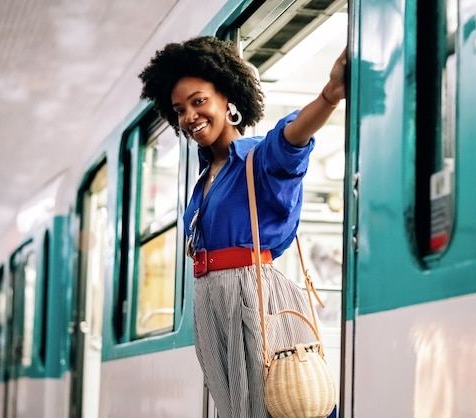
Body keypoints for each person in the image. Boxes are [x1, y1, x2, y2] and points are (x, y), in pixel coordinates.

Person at [139, 35, 346, 418]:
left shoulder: (255, 157)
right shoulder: (204, 180)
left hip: (252, 296)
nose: (189, 117)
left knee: (281, 404)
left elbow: (292, 141)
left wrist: (329, 96)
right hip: (212, 301)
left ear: (228, 99)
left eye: (199, 101)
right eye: (179, 109)